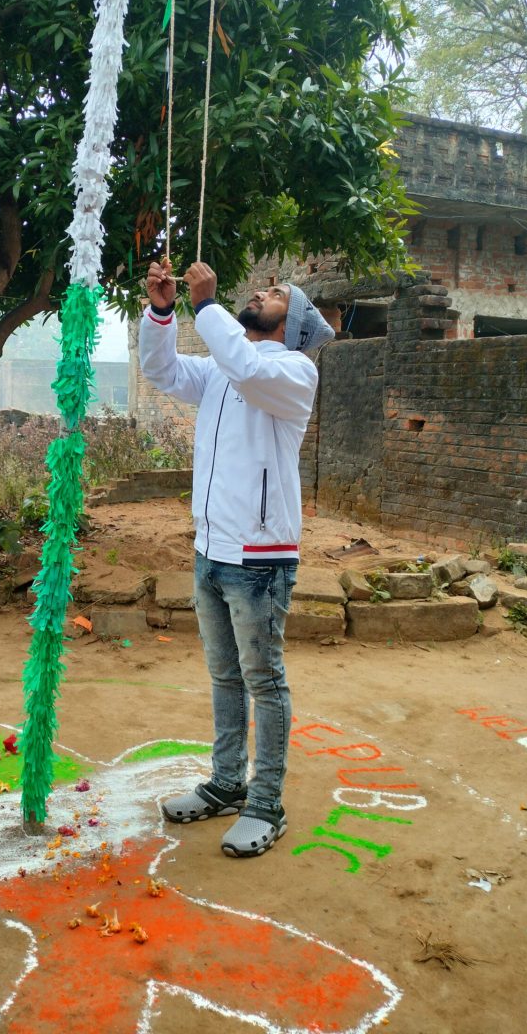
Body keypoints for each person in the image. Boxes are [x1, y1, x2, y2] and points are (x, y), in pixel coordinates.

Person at [139, 259, 334, 858]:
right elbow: (161, 369)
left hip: (260, 557)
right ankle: (225, 784)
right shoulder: (229, 369)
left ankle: (265, 804)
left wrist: (205, 306)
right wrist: (166, 312)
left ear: (292, 322)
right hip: (211, 549)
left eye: (275, 293)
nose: (261, 291)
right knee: (225, 675)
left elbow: (245, 366)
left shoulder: (292, 371)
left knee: (263, 680)